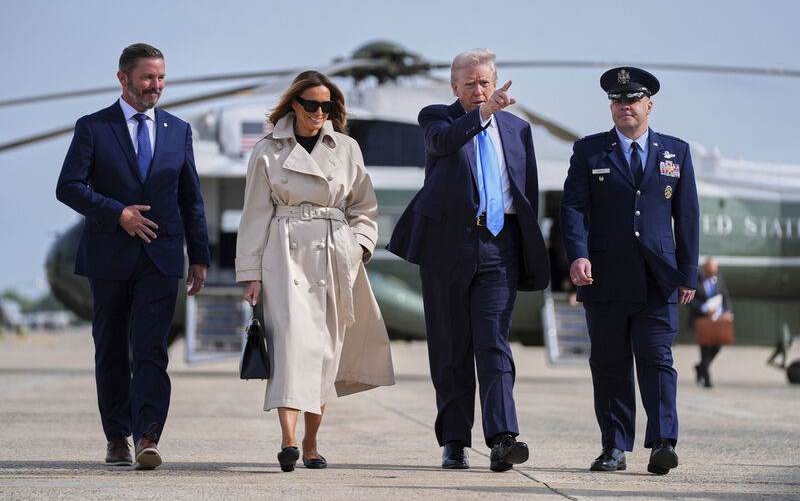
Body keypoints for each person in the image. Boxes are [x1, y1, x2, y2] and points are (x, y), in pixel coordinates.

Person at [387, 49, 549, 472]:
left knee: (494, 342)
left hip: (500, 248)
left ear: (496, 83)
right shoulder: (436, 118)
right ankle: (455, 441)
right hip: (448, 248)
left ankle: (503, 438)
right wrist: (481, 116)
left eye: (485, 82)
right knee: (451, 347)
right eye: (470, 83)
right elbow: (442, 143)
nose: (479, 90)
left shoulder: (518, 130)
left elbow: (525, 190)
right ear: (454, 87)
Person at [56, 43, 210, 470]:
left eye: (160, 77)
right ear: (123, 78)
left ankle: (148, 436)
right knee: (110, 350)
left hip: (161, 257)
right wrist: (116, 213)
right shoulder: (93, 127)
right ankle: (117, 436)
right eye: (147, 77)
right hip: (108, 256)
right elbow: (68, 186)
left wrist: (198, 255)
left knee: (151, 350)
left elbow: (190, 198)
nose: (155, 86)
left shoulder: (179, 130)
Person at [235, 70, 395, 472]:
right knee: (290, 347)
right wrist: (250, 273)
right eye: (312, 105)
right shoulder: (268, 150)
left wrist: (358, 247)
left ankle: (311, 442)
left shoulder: (346, 148)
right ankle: (288, 439)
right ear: (294, 105)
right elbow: (254, 213)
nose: (320, 112)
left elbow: (364, 207)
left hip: (334, 254)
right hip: (284, 254)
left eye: (327, 106)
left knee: (324, 352)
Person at [560, 67, 699, 475]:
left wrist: (688, 273)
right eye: (617, 101)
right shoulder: (589, 152)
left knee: (657, 360)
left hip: (659, 279)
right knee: (609, 364)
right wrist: (578, 254)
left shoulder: (676, 152)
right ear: (611, 107)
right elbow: (573, 208)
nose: (624, 106)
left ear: (648, 106)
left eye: (632, 100)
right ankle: (614, 448)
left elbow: (687, 216)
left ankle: (662, 443)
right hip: (603, 277)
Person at [688, 257, 733, 387]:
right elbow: (689, 300)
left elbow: (725, 296)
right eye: (709, 272)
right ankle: (706, 379)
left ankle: (701, 367)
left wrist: (727, 311)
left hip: (717, 319)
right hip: (702, 319)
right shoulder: (695, 280)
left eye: (714, 272)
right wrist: (704, 308)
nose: (712, 275)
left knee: (718, 345)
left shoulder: (718, 278)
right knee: (705, 348)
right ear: (704, 269)